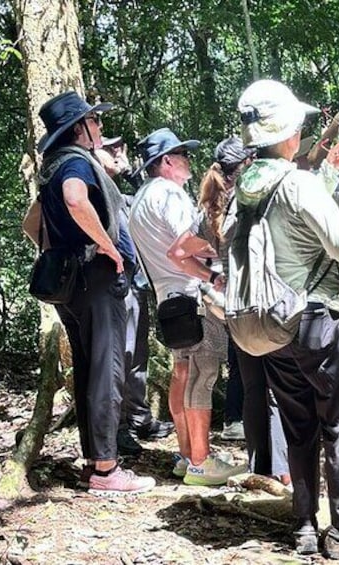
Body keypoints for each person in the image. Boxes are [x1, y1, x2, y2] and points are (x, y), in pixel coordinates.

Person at [235, 79, 339, 559]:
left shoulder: (247, 185)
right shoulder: (295, 182)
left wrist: (328, 174)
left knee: (298, 423)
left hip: (275, 323)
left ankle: (303, 525)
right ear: (288, 133)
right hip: (320, 316)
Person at [34, 90, 155, 495]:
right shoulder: (75, 163)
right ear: (80, 128)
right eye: (95, 121)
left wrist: (58, 249)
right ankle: (106, 469)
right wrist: (106, 245)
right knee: (107, 370)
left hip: (71, 284)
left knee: (89, 369)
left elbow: (30, 222)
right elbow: (75, 199)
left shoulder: (50, 166)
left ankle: (93, 463)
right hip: (97, 276)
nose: (100, 127)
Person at [129, 128, 244, 486]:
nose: (189, 161)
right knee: (202, 375)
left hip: (167, 299)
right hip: (192, 297)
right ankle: (201, 461)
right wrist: (217, 263)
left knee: (183, 372)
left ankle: (186, 454)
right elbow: (186, 246)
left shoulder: (140, 199)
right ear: (166, 162)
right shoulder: (169, 193)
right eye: (183, 154)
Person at [198, 135, 290, 483]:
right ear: (248, 163)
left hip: (236, 309)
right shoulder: (254, 202)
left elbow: (179, 250)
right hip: (265, 305)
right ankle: (283, 472)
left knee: (253, 388)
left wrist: (210, 275)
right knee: (279, 388)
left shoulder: (210, 210)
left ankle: (259, 467)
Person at [97, 134, 175, 458]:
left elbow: (144, 200)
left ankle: (139, 418)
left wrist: (131, 171)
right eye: (110, 148)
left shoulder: (120, 190)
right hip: (114, 283)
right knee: (121, 357)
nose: (118, 152)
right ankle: (118, 430)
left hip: (138, 284)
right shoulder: (93, 184)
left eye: (120, 147)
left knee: (137, 355)